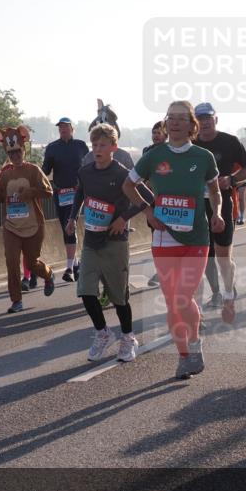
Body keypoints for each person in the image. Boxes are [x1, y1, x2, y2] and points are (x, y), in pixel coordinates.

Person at [122, 100, 224, 380]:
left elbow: (215, 192)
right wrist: (147, 210)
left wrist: (218, 212)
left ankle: (195, 344)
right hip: (164, 239)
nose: (175, 122)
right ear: (166, 124)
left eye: (182, 118)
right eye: (171, 118)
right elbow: (128, 185)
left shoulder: (203, 157)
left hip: (196, 238)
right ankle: (183, 357)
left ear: (192, 125)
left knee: (183, 297)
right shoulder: (154, 156)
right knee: (172, 303)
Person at [67, 124, 152, 363]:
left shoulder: (122, 172)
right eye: (94, 145)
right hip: (91, 241)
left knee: (118, 296)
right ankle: (103, 333)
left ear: (114, 147)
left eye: (103, 145)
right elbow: (80, 194)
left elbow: (148, 197)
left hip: (116, 242)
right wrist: (72, 217)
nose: (97, 149)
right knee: (85, 290)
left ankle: (128, 337)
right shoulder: (85, 172)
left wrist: (123, 218)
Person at [0, 126, 56, 313]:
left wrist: (31, 192)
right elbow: (0, 196)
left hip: (33, 225)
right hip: (11, 226)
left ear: (23, 150)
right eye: (12, 152)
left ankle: (48, 275)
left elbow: (49, 191)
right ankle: (16, 300)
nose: (15, 155)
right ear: (7, 153)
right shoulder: (6, 174)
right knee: (11, 261)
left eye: (18, 151)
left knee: (31, 263)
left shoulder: (33, 170)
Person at [194, 102, 246, 323]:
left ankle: (229, 291)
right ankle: (211, 297)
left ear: (216, 119)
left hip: (223, 203)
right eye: (200, 118)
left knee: (222, 257)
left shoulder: (229, 142)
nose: (205, 122)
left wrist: (232, 179)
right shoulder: (190, 144)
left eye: (208, 118)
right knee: (203, 257)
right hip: (196, 206)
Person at [42, 116, 89, 283]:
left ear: (72, 129)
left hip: (78, 193)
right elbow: (45, 171)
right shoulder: (52, 147)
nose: (63, 129)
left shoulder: (81, 146)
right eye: (60, 127)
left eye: (66, 127)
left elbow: (90, 166)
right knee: (65, 227)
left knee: (71, 224)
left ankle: (69, 268)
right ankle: (75, 263)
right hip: (60, 194)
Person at [144, 120, 168, 287]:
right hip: (152, 200)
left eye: (159, 133)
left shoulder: (171, 151)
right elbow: (141, 172)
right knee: (156, 237)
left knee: (171, 235)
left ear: (166, 135)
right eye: (153, 133)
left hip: (169, 200)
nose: (155, 136)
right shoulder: (147, 151)